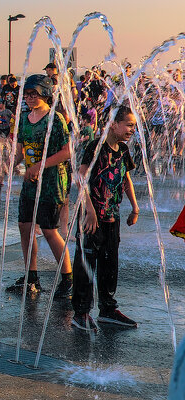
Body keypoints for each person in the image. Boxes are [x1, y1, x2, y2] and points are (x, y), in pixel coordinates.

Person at [71, 106, 140, 330]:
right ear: (113, 124)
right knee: (86, 263)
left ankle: (108, 309)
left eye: (133, 125)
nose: (132, 129)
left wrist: (135, 207)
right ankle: (81, 312)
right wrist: (89, 210)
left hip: (112, 215)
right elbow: (80, 178)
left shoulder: (122, 149)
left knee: (110, 262)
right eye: (129, 125)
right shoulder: (96, 147)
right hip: (92, 216)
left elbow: (125, 177)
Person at [6, 75, 74, 298]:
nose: (29, 98)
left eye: (33, 94)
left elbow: (66, 152)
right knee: (25, 227)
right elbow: (19, 151)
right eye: (27, 95)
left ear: (45, 94)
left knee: (49, 230)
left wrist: (39, 167)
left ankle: (67, 278)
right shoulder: (24, 118)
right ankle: (31, 275)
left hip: (51, 183)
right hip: (30, 183)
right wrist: (8, 165)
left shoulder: (55, 119)